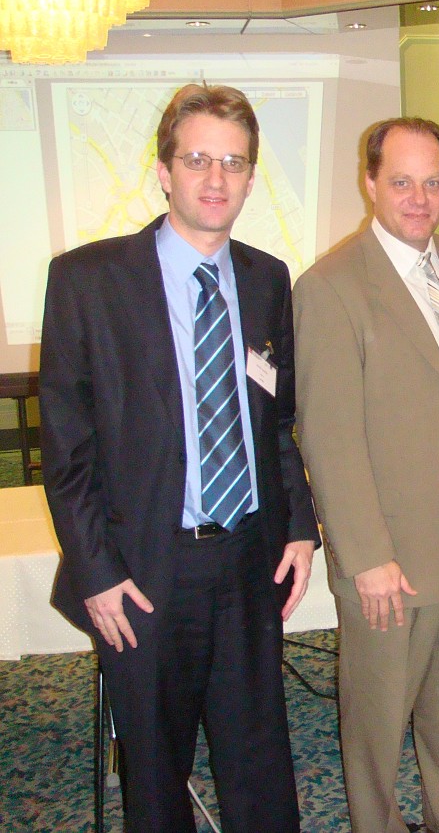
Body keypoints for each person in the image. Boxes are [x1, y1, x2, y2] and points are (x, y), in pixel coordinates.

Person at [40, 84, 320, 832]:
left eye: (234, 162)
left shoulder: (266, 279)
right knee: (157, 777)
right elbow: (67, 450)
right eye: (197, 160)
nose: (216, 178)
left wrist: (299, 527)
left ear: (252, 178)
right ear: (164, 171)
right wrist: (97, 571)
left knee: (259, 759)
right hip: (143, 571)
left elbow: (276, 421)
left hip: (248, 561)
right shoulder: (88, 280)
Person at [293, 117, 439, 833]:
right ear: (370, 183)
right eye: (402, 181)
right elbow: (328, 435)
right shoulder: (329, 286)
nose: (419, 198)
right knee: (377, 720)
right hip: (389, 554)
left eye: (432, 182)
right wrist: (365, 555)